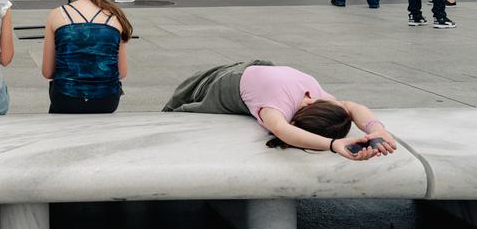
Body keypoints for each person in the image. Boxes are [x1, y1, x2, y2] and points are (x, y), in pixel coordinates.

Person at [162, 61, 397, 161]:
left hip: (257, 72)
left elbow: (353, 108)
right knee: (182, 103)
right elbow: (282, 130)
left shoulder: (320, 98)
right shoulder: (278, 105)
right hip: (224, 84)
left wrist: (376, 129)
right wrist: (334, 144)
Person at [42, 0, 131, 113]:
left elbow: (47, 72)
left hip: (65, 99)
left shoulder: (57, 16)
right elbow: (122, 73)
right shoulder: (115, 19)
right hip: (106, 100)